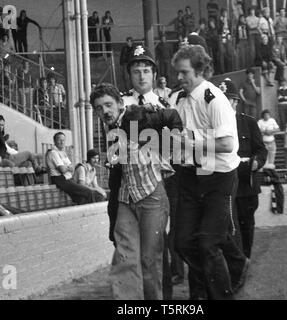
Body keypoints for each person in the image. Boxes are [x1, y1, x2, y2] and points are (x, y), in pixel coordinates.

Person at [90, 82, 183, 300]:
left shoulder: (136, 116)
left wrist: (173, 148)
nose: (104, 111)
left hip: (152, 195)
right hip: (126, 198)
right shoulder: (109, 128)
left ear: (120, 104)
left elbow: (171, 116)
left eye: (108, 105)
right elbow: (116, 174)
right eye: (99, 107)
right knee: (124, 257)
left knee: (149, 260)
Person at [172, 45, 249, 300]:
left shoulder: (214, 99)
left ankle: (220, 293)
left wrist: (190, 143)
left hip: (219, 177)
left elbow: (228, 144)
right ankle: (232, 267)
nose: (179, 78)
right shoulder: (178, 99)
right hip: (192, 175)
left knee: (208, 243)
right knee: (183, 242)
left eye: (184, 73)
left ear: (200, 70)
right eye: (178, 73)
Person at [218, 78, 267, 259]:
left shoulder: (249, 122)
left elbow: (261, 150)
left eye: (227, 100)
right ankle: (236, 262)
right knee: (230, 226)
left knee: (247, 225)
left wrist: (257, 162)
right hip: (224, 183)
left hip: (246, 183)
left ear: (236, 102)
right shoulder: (213, 127)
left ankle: (245, 258)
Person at [46, 132, 102, 205]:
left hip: (68, 178)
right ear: (54, 141)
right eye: (59, 140)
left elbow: (72, 168)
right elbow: (62, 170)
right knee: (87, 192)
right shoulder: (53, 153)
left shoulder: (62, 153)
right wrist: (68, 168)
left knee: (81, 198)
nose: (62, 142)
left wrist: (68, 168)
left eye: (63, 140)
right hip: (60, 179)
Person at [218, 8, 233, 74]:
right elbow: (218, 30)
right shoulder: (219, 21)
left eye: (226, 13)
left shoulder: (229, 20)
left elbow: (230, 28)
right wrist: (223, 23)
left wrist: (231, 35)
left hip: (228, 37)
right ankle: (222, 70)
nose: (225, 14)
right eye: (224, 13)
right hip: (221, 37)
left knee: (229, 53)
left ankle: (229, 69)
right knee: (222, 53)